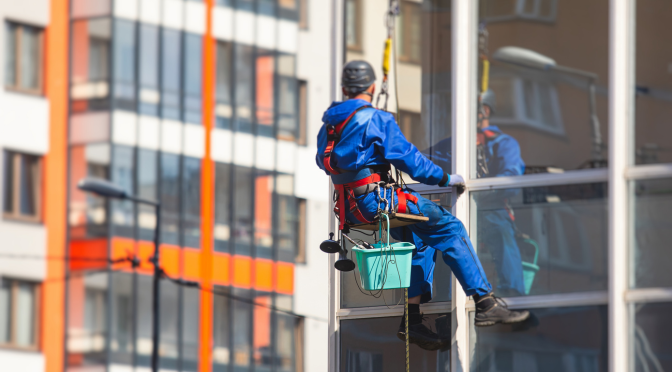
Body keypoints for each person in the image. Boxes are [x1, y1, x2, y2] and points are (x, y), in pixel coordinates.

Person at [316, 60, 529, 352]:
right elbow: (409, 160)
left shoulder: (329, 125)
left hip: (349, 207)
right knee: (450, 227)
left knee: (420, 239)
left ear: (343, 88)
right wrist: (444, 178)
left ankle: (412, 319)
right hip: (377, 200)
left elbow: (326, 162)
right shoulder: (376, 119)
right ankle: (485, 302)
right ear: (373, 87)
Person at [423, 90, 528, 296]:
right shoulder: (451, 145)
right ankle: (442, 298)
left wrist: (479, 193)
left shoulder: (502, 143)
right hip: (454, 207)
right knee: (433, 234)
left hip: (491, 208)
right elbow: (421, 161)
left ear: (484, 110)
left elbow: (511, 178)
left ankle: (512, 293)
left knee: (501, 230)